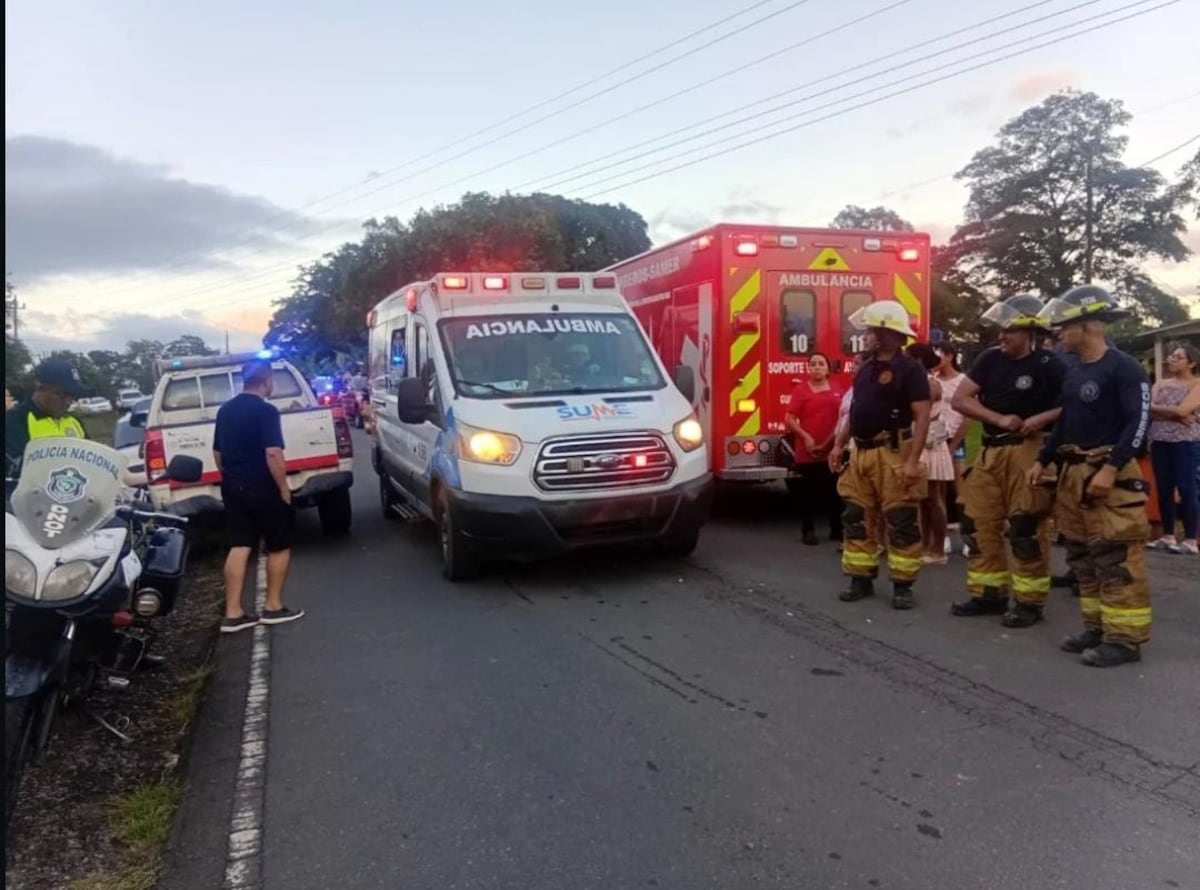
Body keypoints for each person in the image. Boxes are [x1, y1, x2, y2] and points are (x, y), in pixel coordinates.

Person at [1026, 285, 1151, 668]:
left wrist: (1112, 467)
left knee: (1115, 555)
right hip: (1073, 471)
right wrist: (1044, 458)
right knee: (1082, 557)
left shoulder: (1124, 367)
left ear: (1089, 326)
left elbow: (1139, 421)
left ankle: (1125, 640)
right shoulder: (1075, 371)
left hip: (1108, 473)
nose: (1057, 333)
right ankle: (1097, 628)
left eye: (1064, 326)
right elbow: (1068, 420)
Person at [950, 295, 1065, 627]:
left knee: (1025, 527)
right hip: (991, 449)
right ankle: (990, 593)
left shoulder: (1049, 364)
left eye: (1009, 331)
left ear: (1030, 332)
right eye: (1001, 330)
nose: (1002, 337)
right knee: (977, 522)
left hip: (1029, 449)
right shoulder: (990, 360)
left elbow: (1073, 403)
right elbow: (961, 399)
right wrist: (997, 419)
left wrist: (1042, 418)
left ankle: (1030, 602)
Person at [829, 300, 931, 609]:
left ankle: (903, 585)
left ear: (888, 334)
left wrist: (913, 461)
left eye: (873, 330)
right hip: (860, 453)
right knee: (856, 517)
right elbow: (854, 409)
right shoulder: (865, 368)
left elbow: (922, 416)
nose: (868, 335)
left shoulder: (910, 370)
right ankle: (860, 577)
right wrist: (838, 444)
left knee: (900, 520)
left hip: (894, 454)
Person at [213, 359, 305, 633]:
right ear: (266, 381)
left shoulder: (225, 411)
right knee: (278, 544)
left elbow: (217, 453)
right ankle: (273, 607)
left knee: (240, 544)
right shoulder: (266, 412)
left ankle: (233, 612)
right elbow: (273, 453)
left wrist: (230, 476)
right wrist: (283, 488)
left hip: (233, 486)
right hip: (263, 486)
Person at [784, 352, 844, 545]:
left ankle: (837, 529)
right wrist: (806, 437)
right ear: (808, 369)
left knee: (834, 490)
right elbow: (789, 418)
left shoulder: (837, 388)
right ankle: (808, 531)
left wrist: (832, 442)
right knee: (808, 493)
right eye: (813, 364)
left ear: (828, 368)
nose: (817, 367)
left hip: (831, 447)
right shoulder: (801, 391)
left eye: (821, 364)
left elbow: (843, 417)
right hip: (808, 449)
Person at [1146, 342, 1200, 554]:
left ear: (1192, 363)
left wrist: (1176, 412)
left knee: (1187, 488)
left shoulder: (1197, 384)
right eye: (1172, 356)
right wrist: (1176, 413)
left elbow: (1184, 409)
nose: (1172, 360)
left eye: (1178, 357)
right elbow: (1149, 407)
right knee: (1164, 487)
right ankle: (1167, 534)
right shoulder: (1160, 383)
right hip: (1159, 440)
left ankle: (1190, 539)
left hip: (1186, 441)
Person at [906, 343, 955, 566]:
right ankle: (925, 545)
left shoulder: (929, 384)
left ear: (917, 361)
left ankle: (938, 549)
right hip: (920, 441)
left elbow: (920, 415)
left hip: (930, 444)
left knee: (934, 498)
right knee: (923, 499)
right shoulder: (922, 382)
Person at [5, 358, 87, 481]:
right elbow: (17, 469)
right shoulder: (13, 421)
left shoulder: (74, 421)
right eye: (62, 394)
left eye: (72, 395)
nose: (68, 401)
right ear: (40, 387)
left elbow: (93, 461)